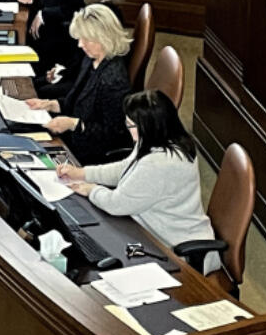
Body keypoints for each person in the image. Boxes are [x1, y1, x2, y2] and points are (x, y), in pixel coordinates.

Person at [57, 90, 220, 275]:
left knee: (104, 265)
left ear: (149, 125)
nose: (128, 128)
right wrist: (82, 173)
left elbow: (116, 204)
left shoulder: (161, 162)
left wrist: (92, 190)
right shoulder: (160, 139)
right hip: (150, 232)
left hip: (174, 247)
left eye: (131, 125)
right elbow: (125, 169)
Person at [25, 3, 130, 165]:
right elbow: (76, 99)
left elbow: (113, 135)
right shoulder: (91, 59)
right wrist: (51, 105)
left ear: (103, 38)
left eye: (85, 39)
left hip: (90, 152)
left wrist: (74, 124)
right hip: (74, 133)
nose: (80, 44)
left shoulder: (114, 80)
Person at [39, 0, 124, 96]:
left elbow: (86, 61)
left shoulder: (99, 16)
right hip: (78, 73)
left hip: (86, 84)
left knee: (38, 90)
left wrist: (62, 73)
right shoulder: (101, 6)